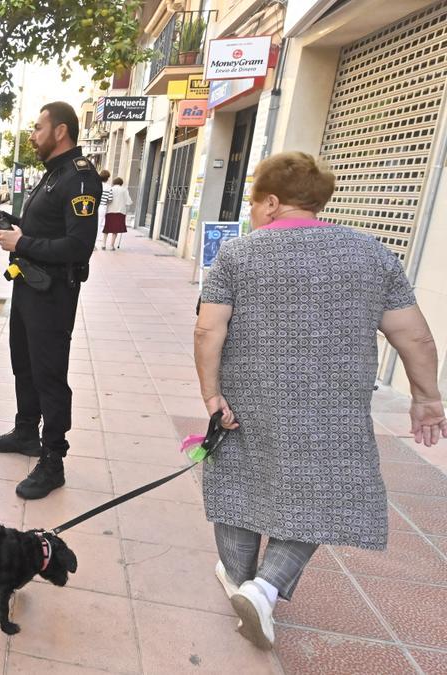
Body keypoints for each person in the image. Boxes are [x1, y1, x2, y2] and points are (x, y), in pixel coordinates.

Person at [194, 151, 447, 651]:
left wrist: (210, 393)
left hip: (249, 400)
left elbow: (208, 329)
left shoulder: (238, 255)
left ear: (270, 202)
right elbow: (414, 338)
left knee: (239, 480)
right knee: (322, 493)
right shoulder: (373, 254)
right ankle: (263, 589)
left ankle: (243, 579)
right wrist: (427, 398)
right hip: (334, 408)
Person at [0, 102, 100, 500]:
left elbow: (78, 246)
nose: (32, 134)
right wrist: (1, 217)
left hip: (53, 294)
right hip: (29, 286)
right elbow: (37, 229)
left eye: (37, 127)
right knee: (24, 365)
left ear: (60, 131)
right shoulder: (53, 176)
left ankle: (53, 461)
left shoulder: (80, 180)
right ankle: (27, 431)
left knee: (49, 375)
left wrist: (22, 242)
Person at [103, 177, 132, 250]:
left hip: (109, 211)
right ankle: (112, 245)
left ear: (114, 182)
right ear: (121, 183)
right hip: (120, 212)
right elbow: (129, 201)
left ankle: (103, 244)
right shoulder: (124, 190)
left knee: (107, 228)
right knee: (115, 230)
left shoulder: (111, 189)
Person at [96, 169, 111, 248]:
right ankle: (94, 244)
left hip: (95, 205)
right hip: (103, 206)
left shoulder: (96, 184)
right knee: (99, 225)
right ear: (107, 178)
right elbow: (110, 199)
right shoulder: (109, 187)